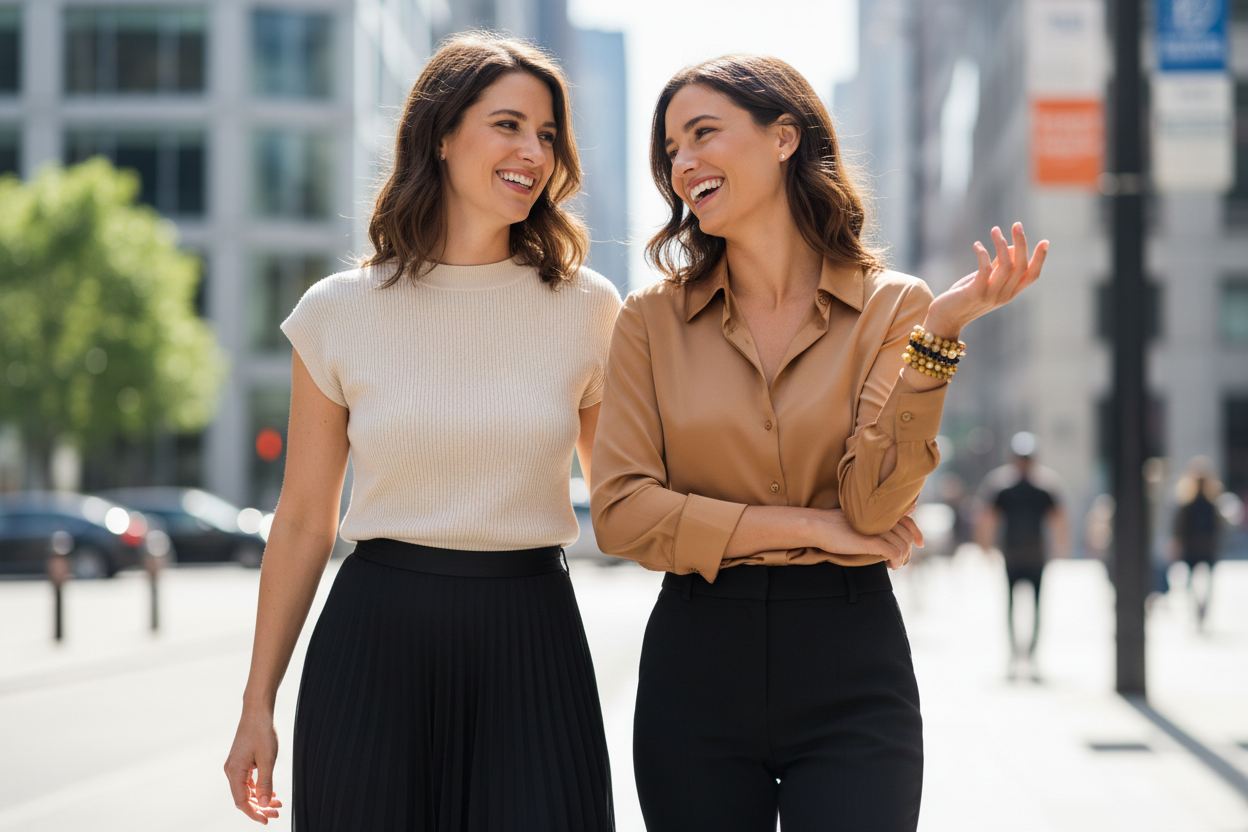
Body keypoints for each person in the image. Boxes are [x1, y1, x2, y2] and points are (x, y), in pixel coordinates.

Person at [590, 54, 1048, 832]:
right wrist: (811, 526)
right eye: (670, 149)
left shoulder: (895, 308)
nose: (682, 163)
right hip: (695, 671)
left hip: (851, 665)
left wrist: (938, 336)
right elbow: (621, 514)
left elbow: (872, 508)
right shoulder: (649, 321)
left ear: (784, 137)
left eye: (703, 133)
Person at [223, 33, 619, 830]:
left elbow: (626, 502)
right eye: (508, 125)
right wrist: (257, 703)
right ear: (440, 136)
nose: (533, 151)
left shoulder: (589, 310)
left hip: (532, 642)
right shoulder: (337, 311)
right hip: (375, 645)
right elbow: (302, 521)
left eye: (547, 134)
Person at [975, 431, 1069, 679]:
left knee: (1036, 608)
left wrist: (1060, 548)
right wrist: (986, 548)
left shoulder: (1044, 487)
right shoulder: (1003, 487)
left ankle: (1032, 656)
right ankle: (1013, 656)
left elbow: (1058, 519)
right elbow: (988, 518)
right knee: (1011, 607)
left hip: (1035, 555)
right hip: (1013, 555)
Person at [1171, 458, 1224, 631]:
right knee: (1203, 582)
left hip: (1197, 547)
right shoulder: (1206, 505)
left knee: (1195, 582)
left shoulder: (1195, 505)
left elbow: (1180, 528)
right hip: (1201, 547)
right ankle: (1200, 610)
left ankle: (1198, 610)